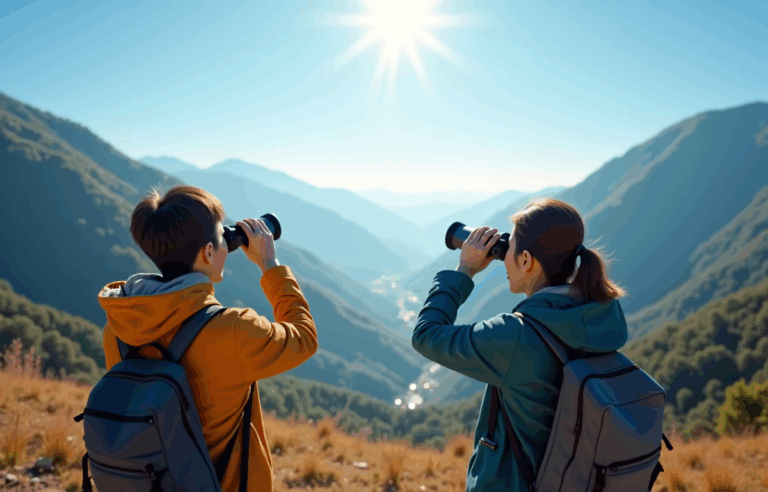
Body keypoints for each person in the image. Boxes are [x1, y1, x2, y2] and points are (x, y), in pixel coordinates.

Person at [97, 185, 317, 492]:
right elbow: (304, 337)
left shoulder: (119, 328)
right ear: (208, 252)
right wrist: (270, 265)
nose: (228, 242)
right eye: (221, 235)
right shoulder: (234, 330)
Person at [412, 198, 628, 492]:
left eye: (509, 246)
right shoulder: (603, 315)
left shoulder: (516, 336)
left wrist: (464, 270)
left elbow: (426, 336)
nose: (504, 255)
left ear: (526, 261)